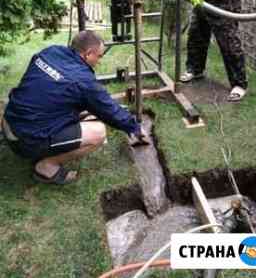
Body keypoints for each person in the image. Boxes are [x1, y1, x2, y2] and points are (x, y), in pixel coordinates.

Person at [1, 30, 147, 185]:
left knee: (82, 109)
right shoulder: (82, 81)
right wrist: (134, 128)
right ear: (88, 54)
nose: (99, 61)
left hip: (9, 121)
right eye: (99, 56)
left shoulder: (50, 52)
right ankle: (46, 167)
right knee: (98, 133)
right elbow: (109, 109)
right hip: (24, 140)